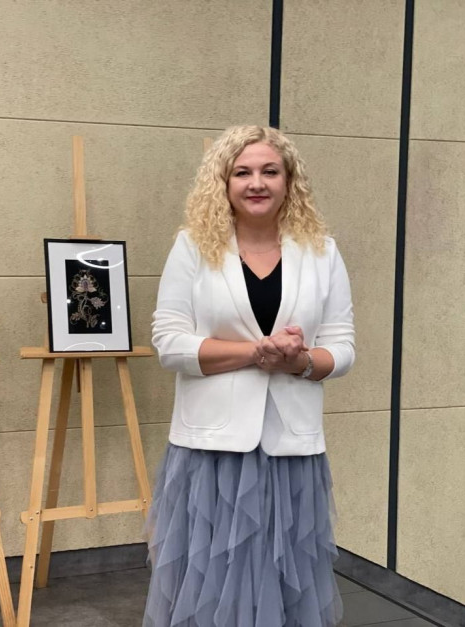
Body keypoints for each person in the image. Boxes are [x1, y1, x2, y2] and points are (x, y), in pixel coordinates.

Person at [143, 125, 355, 627]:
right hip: (211, 452)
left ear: (289, 181)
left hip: (291, 452)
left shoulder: (322, 252)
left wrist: (299, 362)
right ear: (224, 182)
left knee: (284, 590)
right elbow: (169, 343)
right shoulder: (194, 247)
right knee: (210, 588)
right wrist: (256, 352)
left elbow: (343, 349)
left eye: (269, 171)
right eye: (242, 172)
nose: (256, 183)